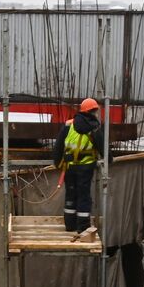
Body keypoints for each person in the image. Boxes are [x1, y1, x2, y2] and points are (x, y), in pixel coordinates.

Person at [51, 98, 105, 234]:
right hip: (86, 167)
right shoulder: (94, 126)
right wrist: (109, 159)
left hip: (69, 167)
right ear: (92, 111)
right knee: (83, 196)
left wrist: (57, 162)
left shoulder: (69, 124)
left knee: (70, 194)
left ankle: (69, 225)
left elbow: (58, 146)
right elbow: (101, 146)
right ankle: (83, 226)